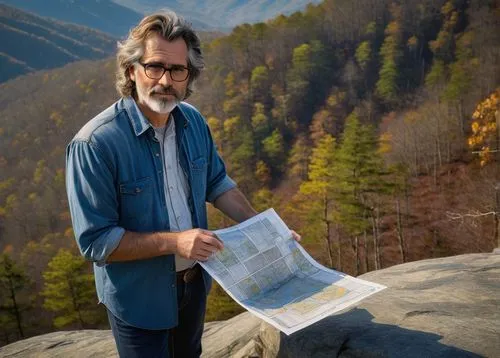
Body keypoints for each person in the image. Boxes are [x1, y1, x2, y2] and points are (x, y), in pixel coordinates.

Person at [66, 10, 299, 358]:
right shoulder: (95, 144)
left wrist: (265, 228)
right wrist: (176, 242)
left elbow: (217, 183)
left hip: (194, 285)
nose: (165, 80)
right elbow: (97, 242)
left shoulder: (192, 121)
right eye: (154, 67)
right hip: (139, 299)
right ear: (132, 70)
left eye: (177, 70)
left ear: (188, 76)